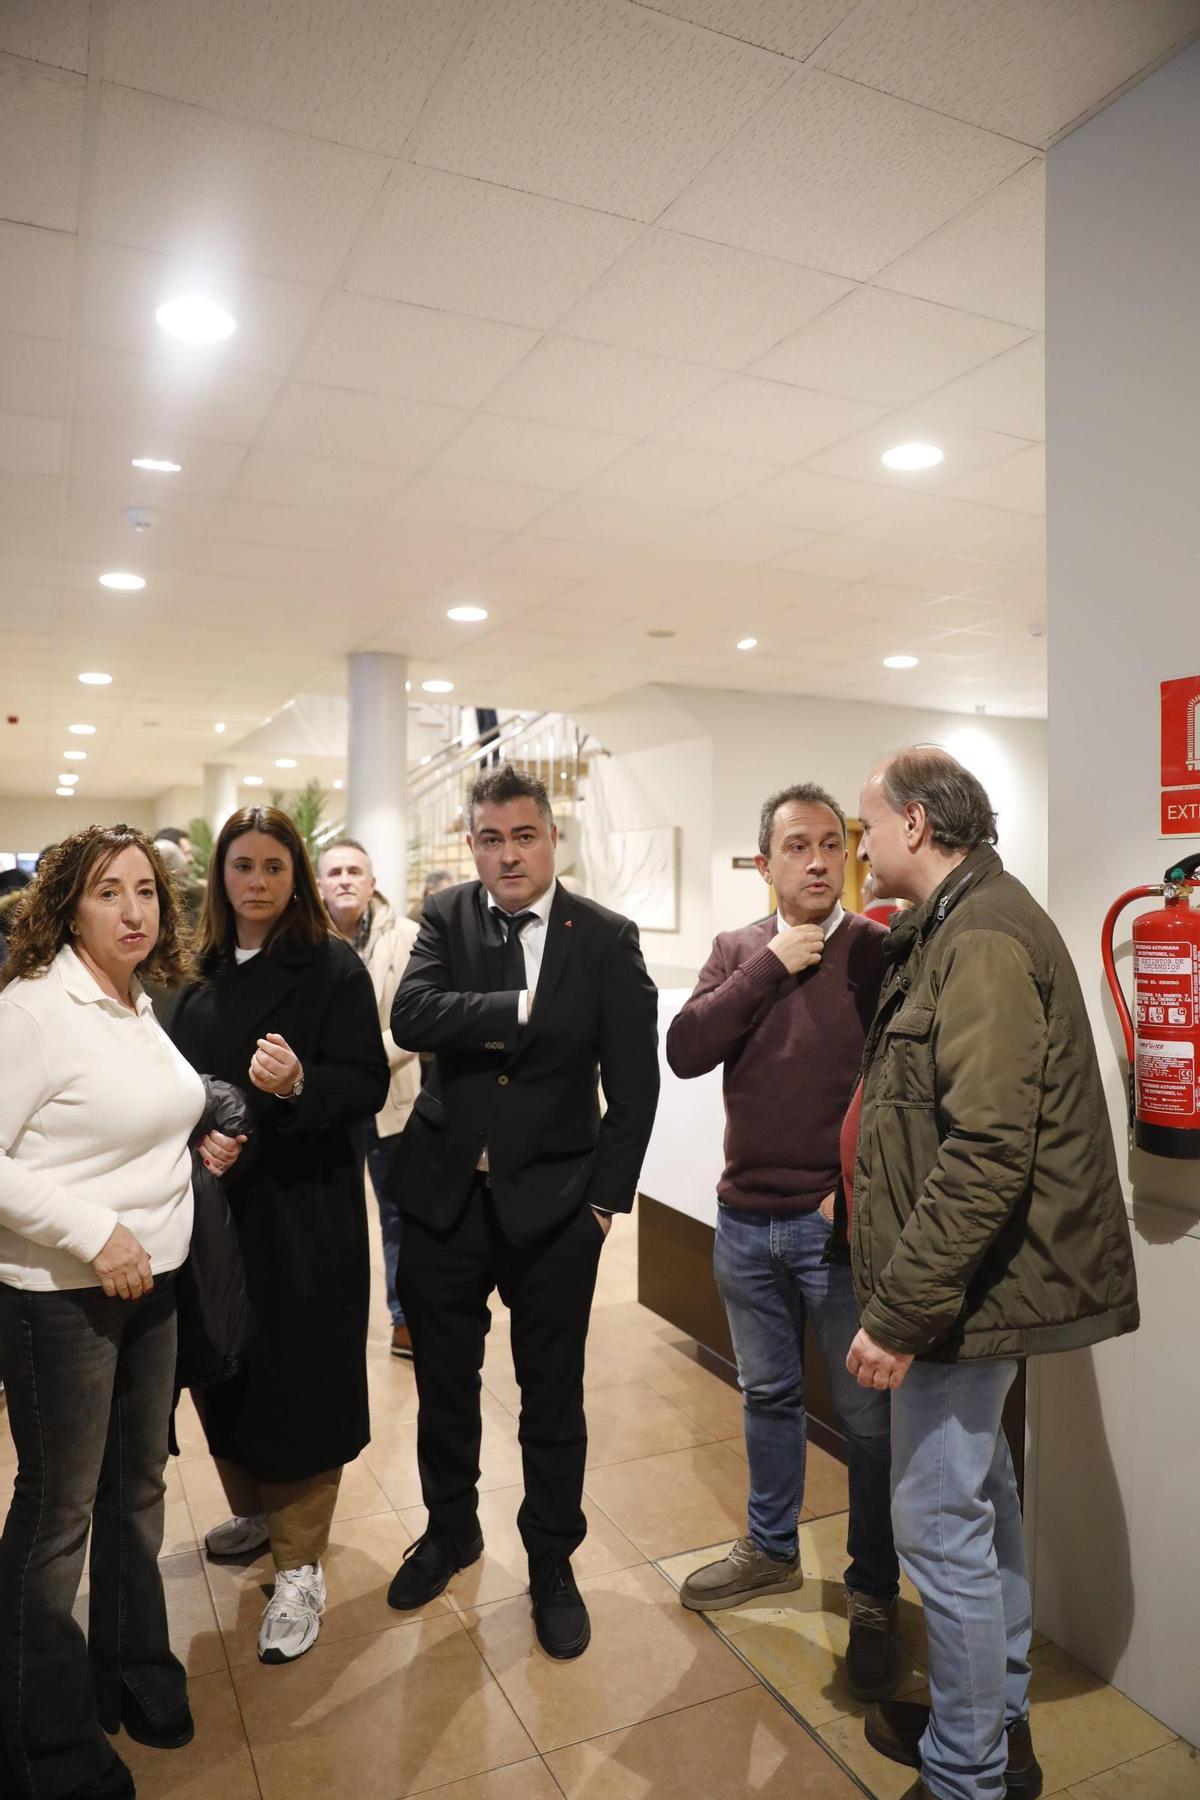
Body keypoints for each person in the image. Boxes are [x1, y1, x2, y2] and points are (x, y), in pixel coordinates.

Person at [847, 748, 1139, 1800]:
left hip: (967, 1296)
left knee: (941, 1529)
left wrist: (897, 1313)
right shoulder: (958, 924)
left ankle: (969, 1774)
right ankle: (995, 1725)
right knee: (983, 1507)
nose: (860, 839)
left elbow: (984, 1153)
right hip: (976, 1290)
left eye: (868, 821)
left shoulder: (979, 937)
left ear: (917, 824)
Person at [384, 764, 659, 1658]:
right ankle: (451, 1529)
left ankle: (551, 1561)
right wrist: (516, 1006)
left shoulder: (606, 938)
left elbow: (635, 1087)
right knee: (444, 1388)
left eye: (524, 836)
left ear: (552, 839)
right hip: (445, 1201)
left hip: (556, 1212)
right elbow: (413, 1014)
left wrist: (604, 1207)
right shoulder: (446, 917)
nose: (508, 854)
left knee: (551, 1398)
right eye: (491, 839)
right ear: (473, 845)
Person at [0, 825, 243, 1800]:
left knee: (135, 1494)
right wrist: (92, 1230)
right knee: (58, 1516)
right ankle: (40, 1743)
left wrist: (196, 1152)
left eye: (147, 890)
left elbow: (132, 1124)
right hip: (62, 1296)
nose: (136, 910)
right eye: (110, 891)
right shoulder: (32, 1009)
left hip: (154, 1290)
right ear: (68, 905)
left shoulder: (133, 1003)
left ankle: (134, 1669)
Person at [665, 783, 902, 1701]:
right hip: (742, 1218)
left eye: (829, 844)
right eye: (794, 846)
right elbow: (686, 1050)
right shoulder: (738, 950)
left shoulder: (877, 951)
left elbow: (899, 1080)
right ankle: (768, 1549)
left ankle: (874, 1588)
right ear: (763, 863)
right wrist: (769, 963)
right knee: (765, 1394)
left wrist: (857, 1194)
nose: (814, 860)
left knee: (868, 1421)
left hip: (831, 1227)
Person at [168, 806, 388, 1666]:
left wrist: (299, 1085)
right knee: (225, 1365)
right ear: (220, 877)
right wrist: (195, 1134)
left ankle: (301, 1568)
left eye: (272, 867)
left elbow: (366, 1080)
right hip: (216, 1214)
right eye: (241, 867)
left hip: (302, 1215)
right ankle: (261, 1515)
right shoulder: (193, 970)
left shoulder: (328, 965)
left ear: (295, 876)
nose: (256, 883)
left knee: (298, 1378)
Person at [316, 837, 420, 1358]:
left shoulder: (407, 938)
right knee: (329, 1218)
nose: (345, 880)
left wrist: (356, 1064)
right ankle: (331, 1321)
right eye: (334, 872)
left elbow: (414, 1023)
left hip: (389, 1103)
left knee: (399, 1214)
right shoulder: (304, 943)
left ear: (372, 881)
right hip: (326, 1106)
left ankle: (404, 1318)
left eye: (355, 870)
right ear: (318, 884)